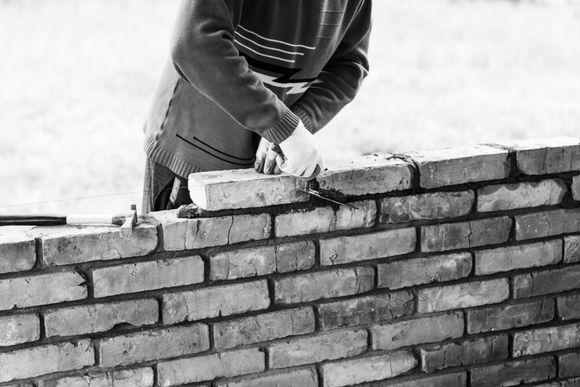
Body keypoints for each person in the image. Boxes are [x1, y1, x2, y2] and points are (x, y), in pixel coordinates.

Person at [142, 0, 372, 212]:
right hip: (193, 154)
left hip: (269, 164)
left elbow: (349, 65)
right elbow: (194, 43)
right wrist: (281, 125)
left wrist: (294, 124)